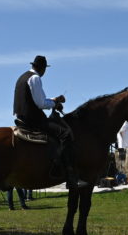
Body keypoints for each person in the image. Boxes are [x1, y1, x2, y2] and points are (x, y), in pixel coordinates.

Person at [13, 57, 84, 189]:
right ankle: (70, 176)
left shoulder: (23, 77)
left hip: (22, 117)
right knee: (66, 134)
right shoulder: (35, 78)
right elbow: (40, 103)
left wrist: (54, 100)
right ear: (43, 68)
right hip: (33, 120)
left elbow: (38, 100)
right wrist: (55, 103)